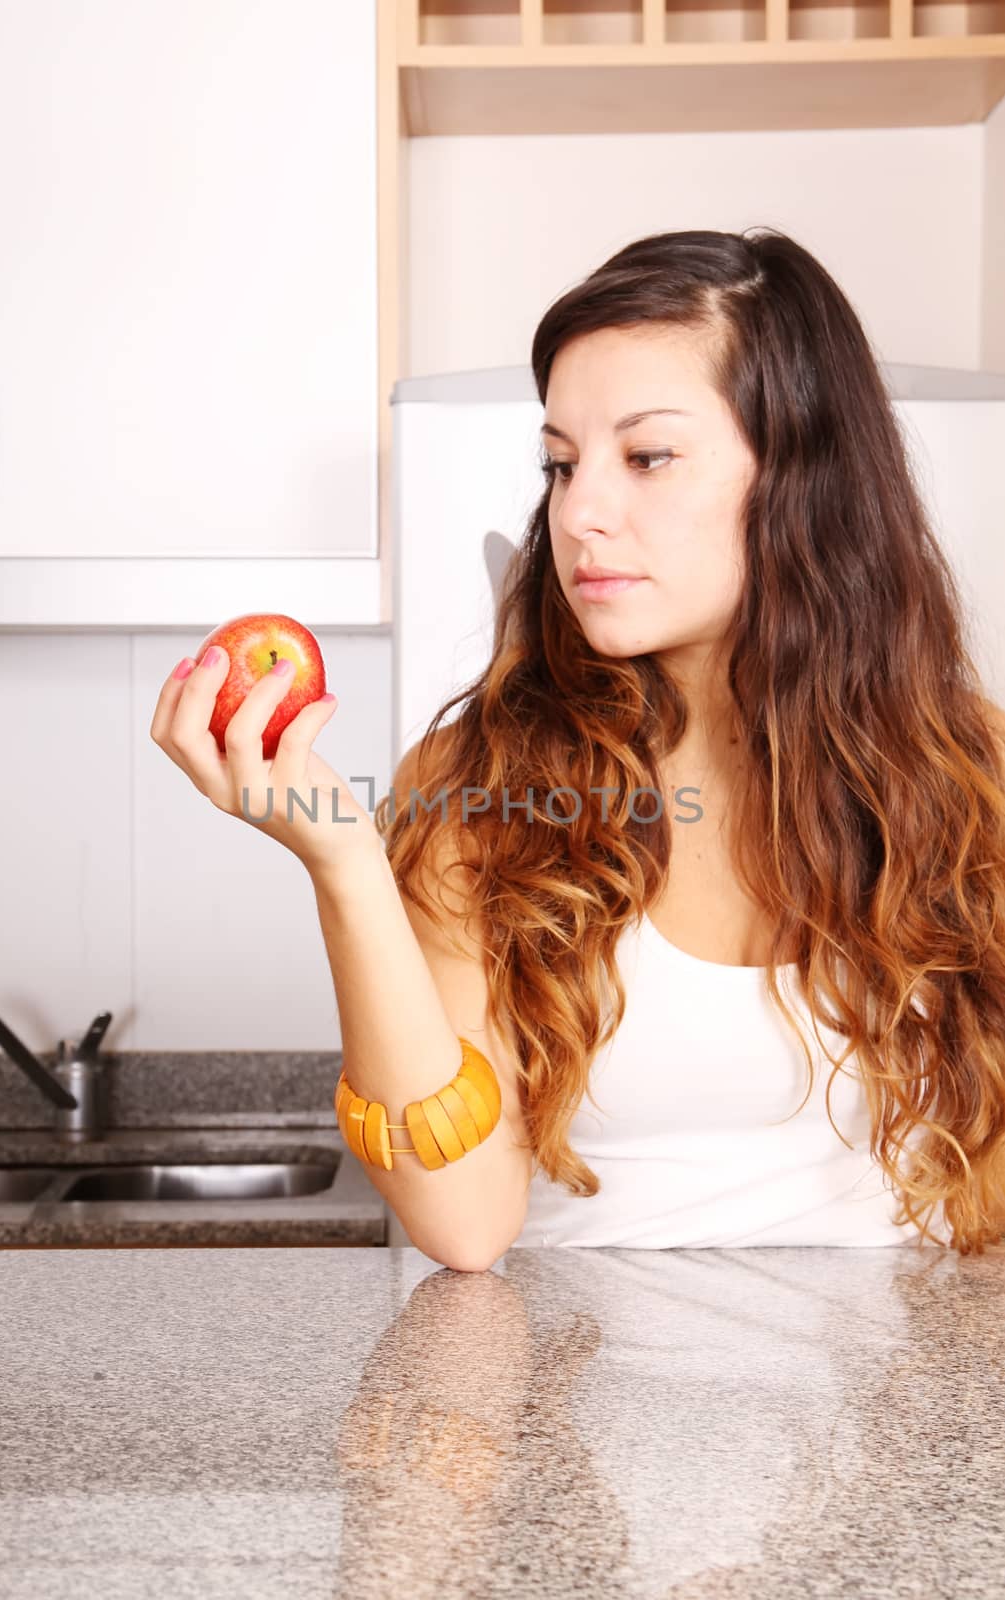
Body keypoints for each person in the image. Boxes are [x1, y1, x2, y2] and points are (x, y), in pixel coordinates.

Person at [151, 226, 1005, 1267]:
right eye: (560, 464)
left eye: (645, 457)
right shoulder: (480, 787)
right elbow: (461, 1224)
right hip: (575, 1403)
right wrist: (345, 864)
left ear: (800, 478)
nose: (579, 510)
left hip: (896, 1408)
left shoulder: (967, 779)